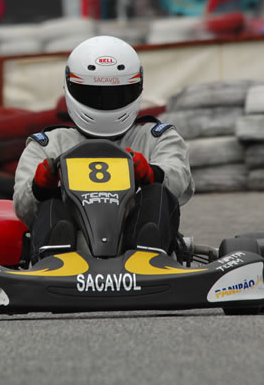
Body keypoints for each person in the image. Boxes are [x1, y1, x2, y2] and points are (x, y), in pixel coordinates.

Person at [13, 35, 194, 264]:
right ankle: (55, 260)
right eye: (93, 95)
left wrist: (152, 174)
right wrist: (39, 187)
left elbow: (180, 181)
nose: (105, 102)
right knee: (50, 202)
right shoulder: (48, 144)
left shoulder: (156, 137)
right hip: (72, 252)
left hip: (137, 246)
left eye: (117, 95)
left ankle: (146, 260)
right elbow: (21, 207)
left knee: (157, 194)